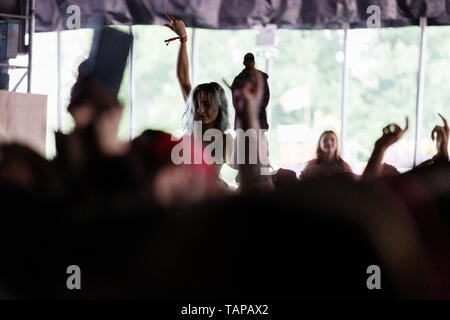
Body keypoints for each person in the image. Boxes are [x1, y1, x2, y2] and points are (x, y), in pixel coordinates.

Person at [232, 53, 270, 131]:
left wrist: (256, 108)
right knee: (242, 141)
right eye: (247, 59)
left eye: (251, 59)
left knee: (259, 141)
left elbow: (266, 96)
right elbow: (235, 98)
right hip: (242, 119)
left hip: (259, 118)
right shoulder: (238, 79)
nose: (249, 61)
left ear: (254, 62)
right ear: (244, 62)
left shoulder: (261, 78)